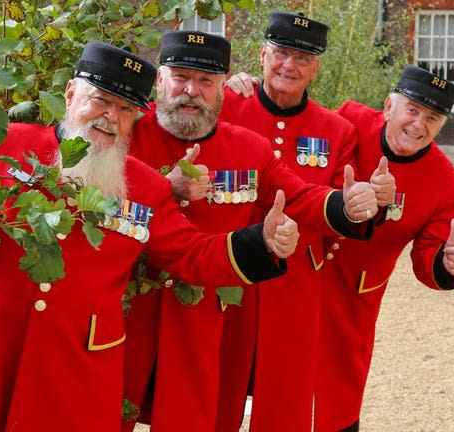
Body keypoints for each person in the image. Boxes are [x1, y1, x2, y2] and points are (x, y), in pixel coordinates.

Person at [0, 42, 304, 432]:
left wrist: (262, 242)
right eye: (100, 101)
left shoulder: (146, 187)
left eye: (125, 109)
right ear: (70, 94)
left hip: (80, 358)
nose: (109, 118)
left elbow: (191, 253)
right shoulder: (9, 146)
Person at [122, 30, 382, 432]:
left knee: (200, 418)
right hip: (131, 312)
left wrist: (345, 205)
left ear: (222, 87)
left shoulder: (249, 148)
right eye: (181, 77)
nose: (192, 91)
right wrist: (162, 188)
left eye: (206, 81)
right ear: (160, 80)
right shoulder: (126, 137)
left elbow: (298, 196)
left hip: (206, 319)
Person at [218, 11, 395, 431]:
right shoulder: (226, 106)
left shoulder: (335, 129)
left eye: (302, 57)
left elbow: (344, 207)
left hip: (296, 281)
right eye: (280, 53)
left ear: (315, 67)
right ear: (261, 55)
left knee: (286, 397)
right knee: (216, 389)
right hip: (227, 271)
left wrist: (363, 203)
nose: (289, 66)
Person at [314, 65, 454, 431]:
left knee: (338, 395)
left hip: (353, 297)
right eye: (413, 110)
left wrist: (450, 264)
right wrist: (251, 91)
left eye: (432, 118)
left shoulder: (445, 183)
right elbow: (294, 135)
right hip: (299, 272)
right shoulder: (348, 119)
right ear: (389, 106)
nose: (419, 124)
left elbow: (429, 258)